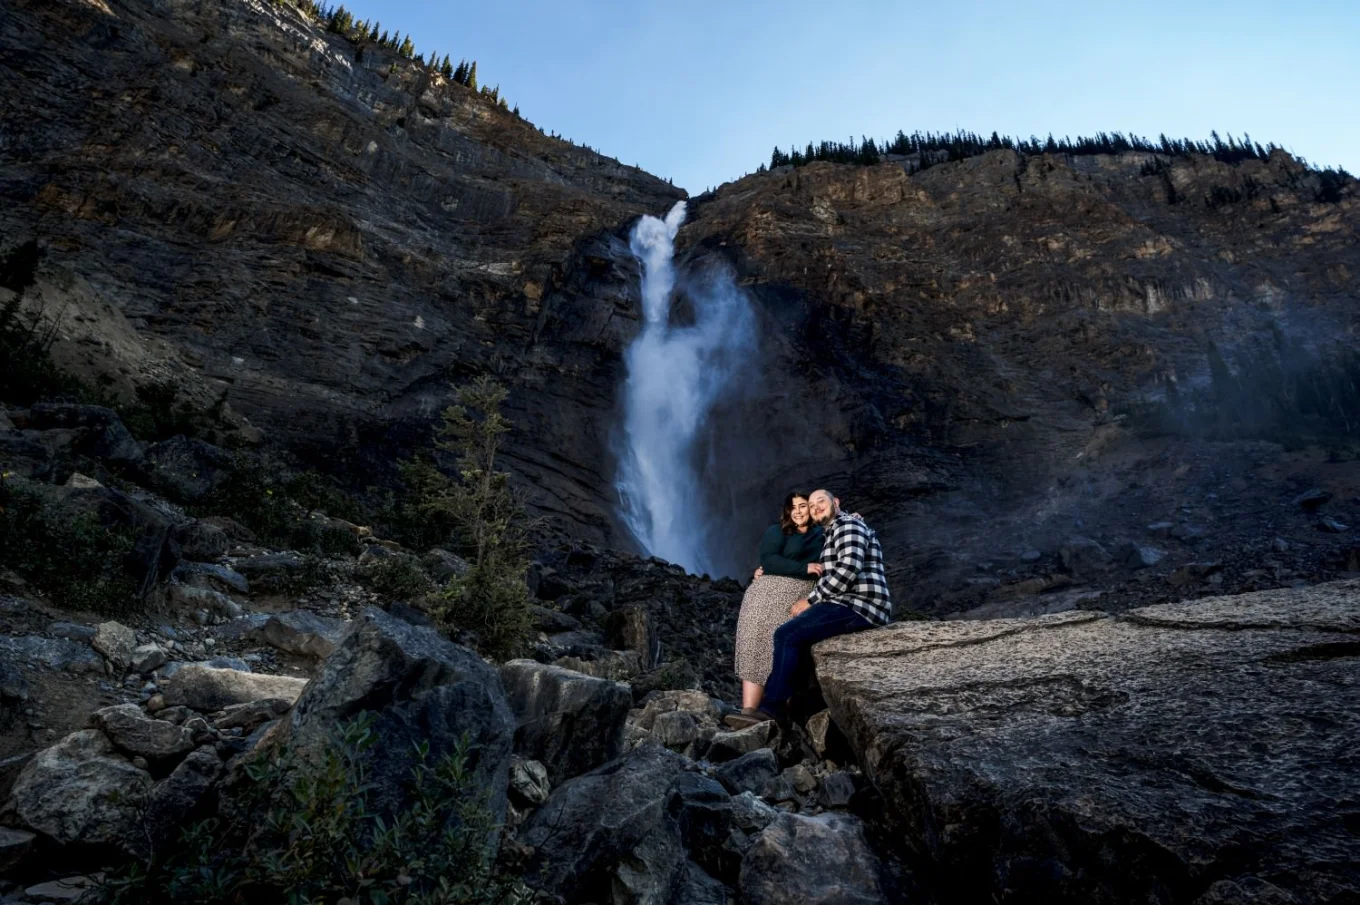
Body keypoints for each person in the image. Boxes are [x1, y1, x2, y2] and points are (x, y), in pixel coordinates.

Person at [725, 488, 891, 728]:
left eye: (818, 502)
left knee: (787, 634)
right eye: (810, 505)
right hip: (843, 602)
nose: (814, 508)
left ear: (836, 502)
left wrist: (811, 600)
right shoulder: (832, 531)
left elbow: (847, 571)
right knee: (797, 640)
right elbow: (772, 558)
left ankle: (772, 710)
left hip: (859, 604)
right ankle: (793, 711)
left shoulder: (848, 526)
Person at [731, 492, 825, 719]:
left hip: (801, 592)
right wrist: (804, 568)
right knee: (755, 638)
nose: (798, 511)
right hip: (765, 592)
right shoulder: (777, 531)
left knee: (783, 641)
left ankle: (777, 705)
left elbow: (840, 522)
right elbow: (769, 560)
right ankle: (749, 710)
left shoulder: (823, 532)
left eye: (803, 506)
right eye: (793, 507)